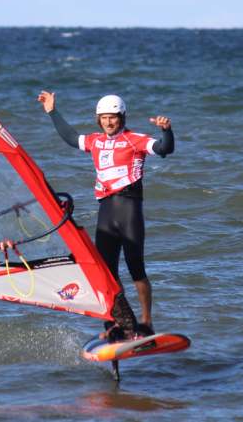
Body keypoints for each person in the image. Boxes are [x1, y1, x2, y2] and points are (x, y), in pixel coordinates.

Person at [37, 90, 174, 338]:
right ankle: (120, 323)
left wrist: (166, 130)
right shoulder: (95, 141)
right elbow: (70, 137)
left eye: (113, 117)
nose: (108, 122)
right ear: (98, 119)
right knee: (108, 273)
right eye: (104, 118)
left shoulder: (136, 140)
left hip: (129, 208)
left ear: (122, 117)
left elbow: (166, 148)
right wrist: (51, 111)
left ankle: (146, 321)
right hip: (106, 211)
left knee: (136, 269)